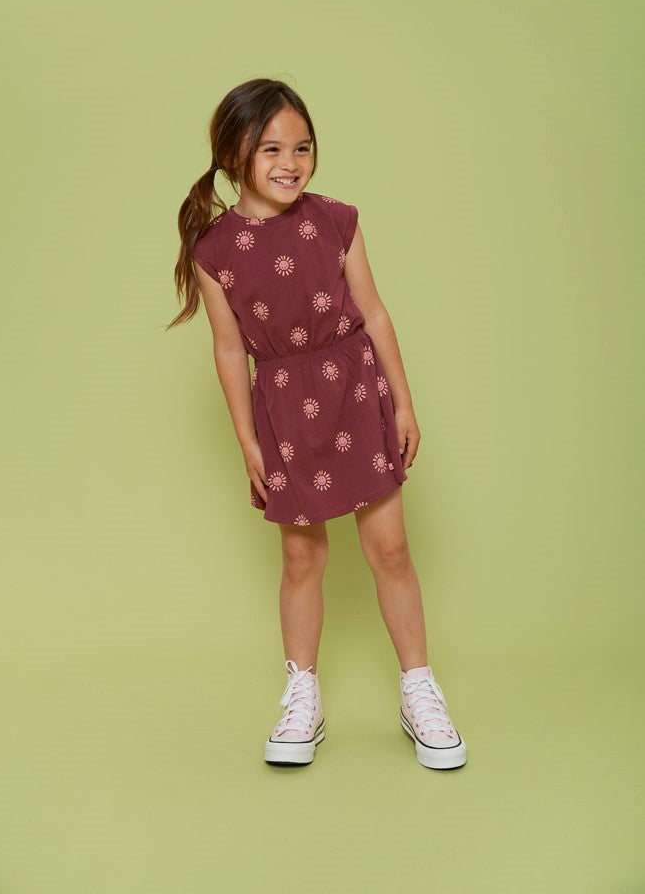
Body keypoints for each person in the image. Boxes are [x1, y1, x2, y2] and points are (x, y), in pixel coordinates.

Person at [169, 77, 467, 771]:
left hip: (355, 391)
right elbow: (227, 350)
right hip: (282, 407)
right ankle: (302, 694)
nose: (290, 162)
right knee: (302, 559)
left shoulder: (336, 220)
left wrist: (404, 402)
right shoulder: (215, 251)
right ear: (234, 155)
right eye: (271, 148)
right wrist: (246, 440)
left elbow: (374, 311)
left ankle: (418, 688)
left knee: (390, 549)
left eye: (302, 147)